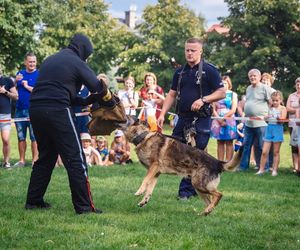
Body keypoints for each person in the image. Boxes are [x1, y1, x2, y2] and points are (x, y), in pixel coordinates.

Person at [25, 33, 118, 214]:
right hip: (58, 110)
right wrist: (110, 102)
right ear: (83, 50)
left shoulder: (51, 60)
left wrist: (85, 102)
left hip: (36, 109)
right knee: (75, 159)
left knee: (45, 157)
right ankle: (84, 207)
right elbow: (97, 87)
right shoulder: (76, 62)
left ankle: (33, 201)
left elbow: (58, 90)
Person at [157, 37, 225, 200]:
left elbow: (221, 92)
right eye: (187, 50)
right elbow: (172, 93)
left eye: (193, 50)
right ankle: (195, 187)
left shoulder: (210, 70)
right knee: (179, 154)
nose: (189, 53)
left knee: (193, 154)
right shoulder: (180, 72)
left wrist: (204, 100)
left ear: (200, 51)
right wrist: (162, 113)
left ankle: (185, 192)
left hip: (201, 120)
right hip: (182, 118)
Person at [239, 69, 273, 171]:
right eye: (251, 76)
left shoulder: (265, 88)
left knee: (262, 146)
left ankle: (264, 167)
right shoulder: (248, 88)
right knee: (246, 145)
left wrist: (266, 115)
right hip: (249, 123)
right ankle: (243, 167)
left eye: (254, 76)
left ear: (259, 77)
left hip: (261, 122)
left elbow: (271, 102)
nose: (252, 78)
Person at [14, 52, 39, 167]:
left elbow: (39, 91)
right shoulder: (20, 73)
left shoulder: (39, 75)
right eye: (30, 61)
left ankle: (35, 160)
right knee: (21, 137)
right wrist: (15, 81)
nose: (32, 64)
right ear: (25, 62)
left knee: (34, 137)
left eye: (33, 61)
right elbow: (13, 90)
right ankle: (22, 161)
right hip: (19, 110)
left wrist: (26, 86)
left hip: (33, 110)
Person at [255, 91, 287, 176]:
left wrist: (278, 117)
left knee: (276, 152)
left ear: (280, 100)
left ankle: (274, 170)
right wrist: (266, 117)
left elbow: (282, 120)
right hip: (269, 129)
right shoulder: (270, 108)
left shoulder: (283, 108)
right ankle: (261, 170)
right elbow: (266, 119)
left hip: (277, 129)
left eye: (276, 100)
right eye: (273, 100)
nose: (275, 102)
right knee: (264, 151)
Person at [211, 75, 238, 161]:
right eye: (222, 83)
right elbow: (213, 109)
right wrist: (219, 119)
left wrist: (224, 118)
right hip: (217, 120)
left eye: (225, 83)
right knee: (220, 142)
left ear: (229, 84)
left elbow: (233, 109)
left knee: (229, 142)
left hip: (229, 120)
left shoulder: (233, 94)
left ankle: (228, 163)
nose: (223, 84)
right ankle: (220, 162)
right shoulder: (215, 94)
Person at [0, 68, 18, 168]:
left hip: (5, 114)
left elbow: (16, 96)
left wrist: (5, 92)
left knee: (6, 140)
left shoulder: (7, 80)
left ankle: (6, 162)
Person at [286, 77, 300, 173]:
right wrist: (297, 110)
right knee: (294, 146)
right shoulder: (291, 96)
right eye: (297, 84)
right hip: (293, 124)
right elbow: (287, 108)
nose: (299, 85)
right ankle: (296, 167)